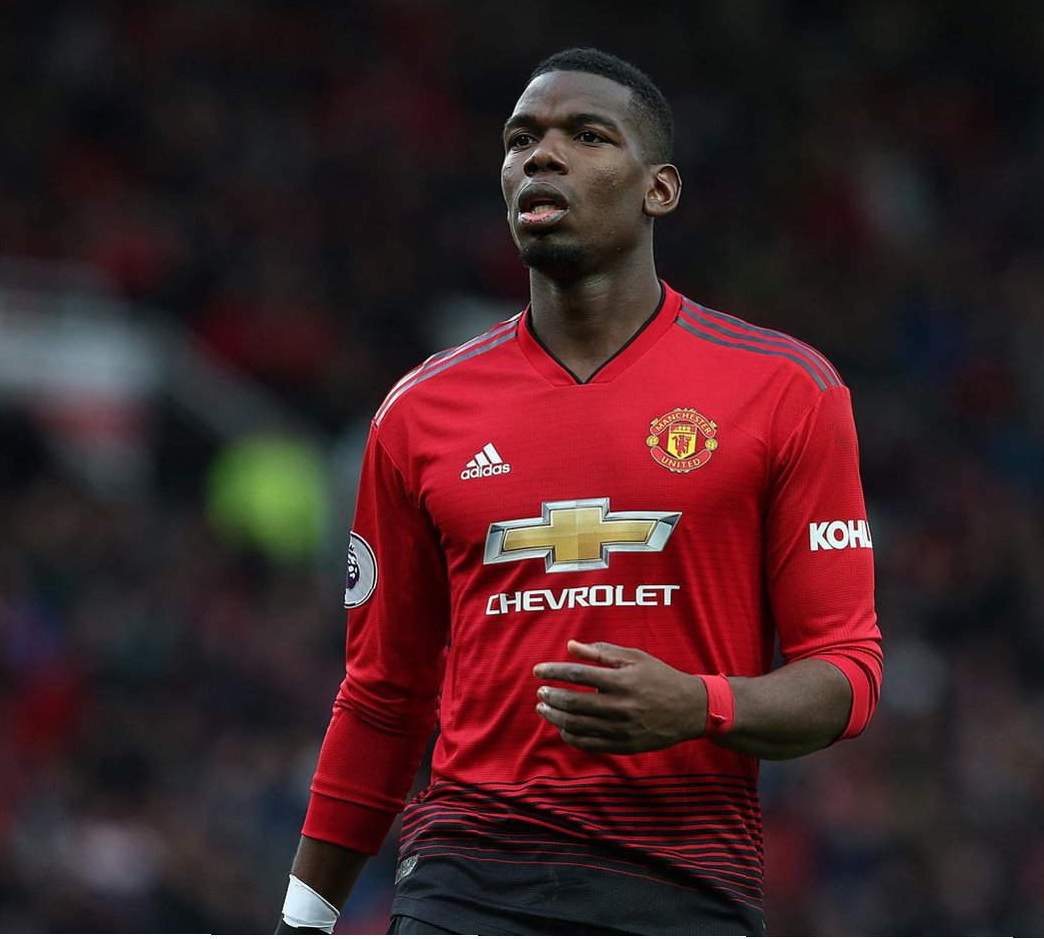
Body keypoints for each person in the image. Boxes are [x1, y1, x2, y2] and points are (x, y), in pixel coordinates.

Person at [277, 47, 882, 937]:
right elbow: (382, 694)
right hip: (464, 885)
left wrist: (699, 704)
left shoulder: (785, 391)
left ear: (658, 189)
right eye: (520, 139)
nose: (541, 156)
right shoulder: (418, 413)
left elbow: (846, 676)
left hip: (682, 888)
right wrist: (302, 920)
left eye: (586, 136)